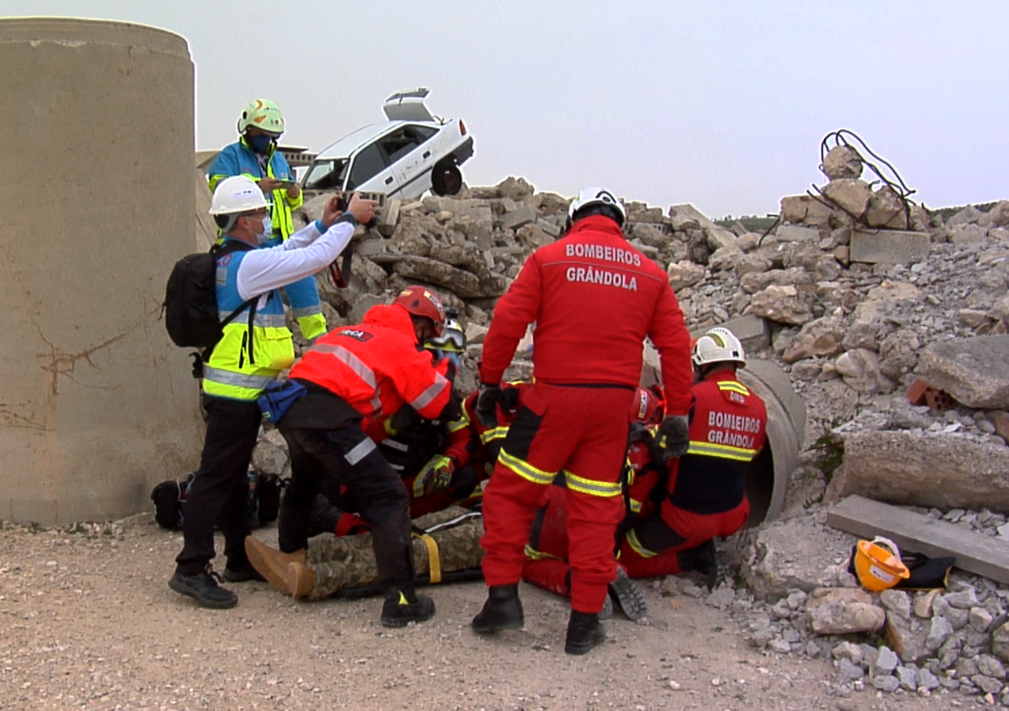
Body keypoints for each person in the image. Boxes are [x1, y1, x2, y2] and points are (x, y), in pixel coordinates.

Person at [470, 186, 695, 655]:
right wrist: (675, 411)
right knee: (596, 510)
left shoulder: (549, 259)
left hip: (551, 402)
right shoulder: (650, 273)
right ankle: (585, 621)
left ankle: (503, 599)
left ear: (574, 220)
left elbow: (508, 321)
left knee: (511, 496)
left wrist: (490, 379)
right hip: (613, 410)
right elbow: (675, 345)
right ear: (619, 223)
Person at [167, 177, 378, 610]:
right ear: (244, 220)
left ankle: (237, 559)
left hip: (237, 389)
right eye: (261, 214)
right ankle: (190, 567)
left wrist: (323, 225)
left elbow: (291, 251)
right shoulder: (247, 266)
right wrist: (350, 223)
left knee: (231, 475)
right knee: (216, 477)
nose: (266, 220)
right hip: (234, 393)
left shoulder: (238, 259)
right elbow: (312, 260)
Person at [245, 286, 454, 627]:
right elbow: (433, 403)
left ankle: (291, 555)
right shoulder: (400, 343)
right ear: (420, 324)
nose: (426, 340)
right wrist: (444, 375)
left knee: (305, 481)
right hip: (330, 421)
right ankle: (401, 600)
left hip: (293, 409)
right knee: (388, 498)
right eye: (428, 333)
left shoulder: (349, 332)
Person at [617, 328, 767, 586]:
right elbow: (754, 452)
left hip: (686, 518)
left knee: (620, 557)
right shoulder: (759, 408)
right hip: (733, 514)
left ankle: (691, 558)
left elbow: (661, 450)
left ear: (701, 365)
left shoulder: (693, 399)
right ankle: (701, 544)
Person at [520, 387, 667, 621]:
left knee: (529, 563)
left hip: (555, 502)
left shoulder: (579, 419)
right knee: (591, 553)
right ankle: (605, 569)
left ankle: (573, 583)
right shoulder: (646, 453)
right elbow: (633, 513)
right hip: (601, 514)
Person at [208, 98, 328, 341]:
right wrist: (257, 187)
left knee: (303, 282)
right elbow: (219, 186)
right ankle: (247, 342)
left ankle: (319, 339)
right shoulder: (230, 157)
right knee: (250, 298)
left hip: (277, 238)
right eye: (262, 134)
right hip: (242, 241)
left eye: (272, 136)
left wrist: (294, 193)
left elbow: (294, 204)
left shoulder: (278, 160)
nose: (267, 140)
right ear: (247, 130)